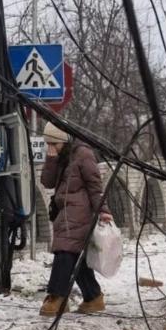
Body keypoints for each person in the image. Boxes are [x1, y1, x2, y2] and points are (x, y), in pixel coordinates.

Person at [40, 123, 113, 316]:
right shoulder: (60, 157)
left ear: (64, 140)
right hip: (63, 213)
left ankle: (56, 297)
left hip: (80, 213)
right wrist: (51, 160)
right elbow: (47, 182)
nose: (51, 148)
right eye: (48, 144)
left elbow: (95, 186)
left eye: (54, 143)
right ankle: (93, 297)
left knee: (64, 252)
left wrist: (103, 210)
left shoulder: (83, 154)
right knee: (75, 256)